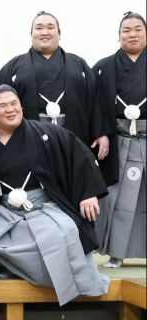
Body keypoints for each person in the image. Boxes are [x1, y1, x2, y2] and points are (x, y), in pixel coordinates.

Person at [0, 84, 110, 306]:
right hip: (3, 210)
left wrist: (88, 193)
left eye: (14, 104)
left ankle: (33, 273)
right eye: (3, 106)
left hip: (42, 206)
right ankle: (17, 267)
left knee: (63, 232)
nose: (11, 109)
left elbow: (79, 156)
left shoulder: (47, 134)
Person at [0, 11, 108, 156]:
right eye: (39, 28)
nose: (44, 32)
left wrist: (100, 133)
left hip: (73, 132)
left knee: (71, 174)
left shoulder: (79, 65)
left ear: (59, 33)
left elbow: (95, 100)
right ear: (31, 33)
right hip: (27, 135)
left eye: (50, 27)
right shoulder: (13, 67)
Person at [92, 12, 146, 268]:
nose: (132, 34)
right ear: (118, 35)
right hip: (118, 139)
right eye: (126, 30)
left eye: (137, 29)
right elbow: (93, 104)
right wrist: (101, 132)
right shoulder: (104, 66)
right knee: (117, 197)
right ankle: (115, 252)